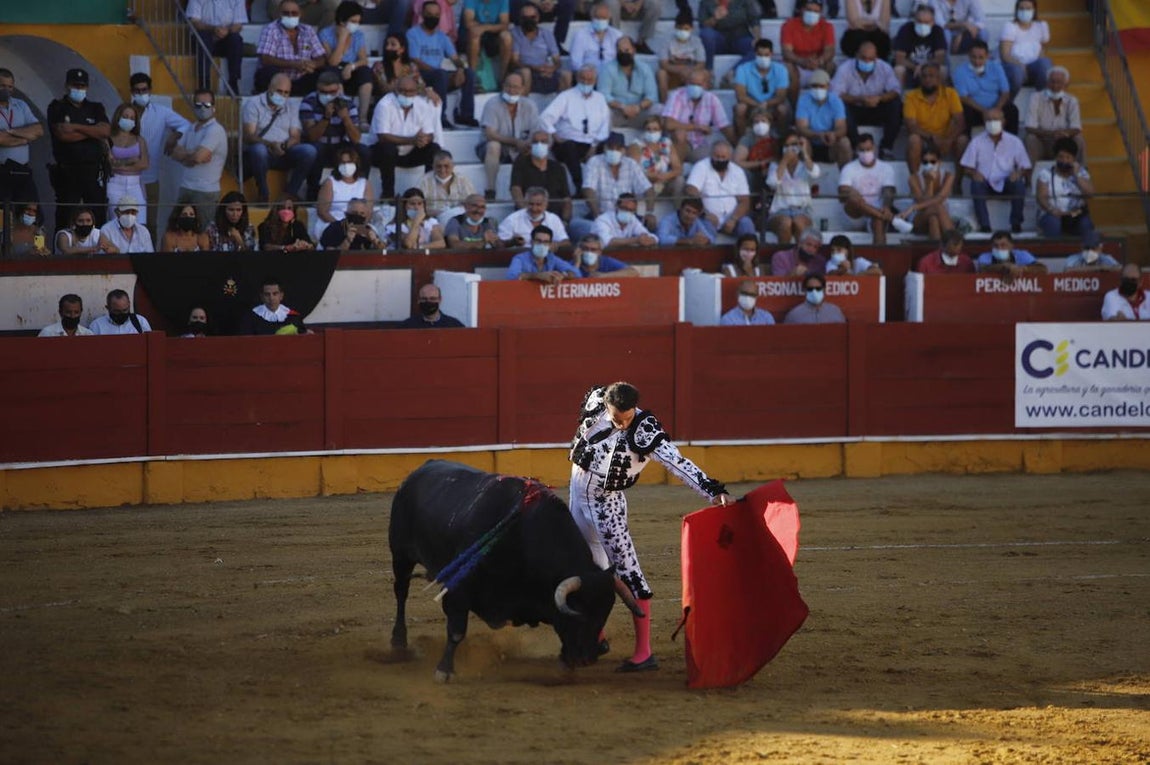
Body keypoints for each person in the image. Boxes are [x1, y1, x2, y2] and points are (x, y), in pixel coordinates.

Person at [568, 381, 731, 672]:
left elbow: (677, 462)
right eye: (618, 417)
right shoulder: (596, 401)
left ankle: (644, 654)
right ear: (607, 405)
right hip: (577, 488)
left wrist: (712, 489)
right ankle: (596, 637)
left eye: (628, 417)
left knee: (630, 575)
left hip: (607, 504)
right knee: (582, 564)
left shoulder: (644, 429)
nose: (623, 424)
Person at [47, 68, 110, 234]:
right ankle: (62, 252)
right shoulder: (57, 107)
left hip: (93, 170)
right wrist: (91, 132)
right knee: (66, 215)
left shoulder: (96, 108)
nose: (79, 88)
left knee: (98, 214)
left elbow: (105, 131)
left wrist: (75, 127)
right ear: (67, 86)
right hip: (68, 171)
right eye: (76, 85)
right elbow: (62, 134)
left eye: (82, 86)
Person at [242, 74, 318, 204]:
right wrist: (271, 145)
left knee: (309, 151)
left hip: (284, 151)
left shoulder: (291, 106)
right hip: (262, 152)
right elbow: (249, 136)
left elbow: (295, 135)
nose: (283, 95)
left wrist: (284, 146)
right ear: (270, 88)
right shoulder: (253, 103)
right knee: (259, 150)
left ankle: (289, 194)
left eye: (286, 92)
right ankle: (263, 193)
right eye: (279, 91)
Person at [128, 73, 190, 231]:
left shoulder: (161, 112)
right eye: (137, 91)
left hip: (151, 177)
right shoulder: (124, 113)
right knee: (128, 222)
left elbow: (186, 125)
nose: (141, 94)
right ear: (131, 92)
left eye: (144, 90)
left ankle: (151, 253)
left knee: (150, 223)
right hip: (127, 176)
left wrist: (174, 136)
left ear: (150, 90)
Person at [407, 0, 478, 128]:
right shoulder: (413, 33)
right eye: (429, 14)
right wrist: (437, 72)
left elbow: (455, 58)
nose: (433, 17)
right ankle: (440, 116)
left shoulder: (442, 36)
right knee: (441, 74)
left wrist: (461, 69)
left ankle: (466, 116)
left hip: (439, 77)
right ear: (422, 14)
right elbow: (415, 60)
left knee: (469, 73)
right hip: (420, 76)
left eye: (436, 15)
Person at [372, 76, 444, 200]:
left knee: (434, 149)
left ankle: (428, 193)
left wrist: (424, 139)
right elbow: (382, 136)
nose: (406, 94)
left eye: (410, 91)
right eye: (402, 90)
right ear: (396, 90)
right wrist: (412, 140)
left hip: (412, 152)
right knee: (387, 149)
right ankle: (388, 194)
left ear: (416, 91)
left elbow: (430, 133)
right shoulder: (385, 104)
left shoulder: (421, 104)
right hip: (385, 154)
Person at [959, 108, 1031, 234]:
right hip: (985, 182)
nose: (992, 123)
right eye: (989, 120)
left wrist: (1018, 173)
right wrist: (974, 173)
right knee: (976, 185)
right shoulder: (976, 141)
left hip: (1007, 181)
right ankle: (984, 225)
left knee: (1018, 184)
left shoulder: (1014, 141)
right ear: (984, 122)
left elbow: (1026, 166)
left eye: (996, 119)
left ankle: (1016, 223)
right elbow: (966, 167)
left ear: (1003, 121)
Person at [539, 66, 611, 191]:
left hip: (592, 143)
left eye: (590, 80)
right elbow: (545, 117)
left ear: (595, 81)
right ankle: (580, 187)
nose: (586, 83)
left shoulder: (600, 98)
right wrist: (555, 135)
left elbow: (605, 125)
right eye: (583, 79)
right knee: (569, 147)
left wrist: (594, 147)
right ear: (577, 78)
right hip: (568, 143)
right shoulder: (566, 96)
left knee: (613, 144)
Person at [830, 41, 902, 162]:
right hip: (854, 109)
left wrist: (879, 98)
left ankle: (886, 147)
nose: (867, 61)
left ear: (876, 58)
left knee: (896, 103)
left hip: (877, 107)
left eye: (871, 59)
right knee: (839, 105)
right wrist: (859, 99)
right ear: (857, 55)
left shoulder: (884, 67)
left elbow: (895, 90)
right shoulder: (845, 69)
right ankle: (856, 146)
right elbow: (835, 94)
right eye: (864, 58)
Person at [574, 132, 653, 242]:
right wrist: (598, 216)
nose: (614, 151)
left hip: (626, 215)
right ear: (605, 148)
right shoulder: (595, 162)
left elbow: (648, 189)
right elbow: (588, 190)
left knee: (651, 226)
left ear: (624, 150)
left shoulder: (631, 164)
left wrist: (650, 212)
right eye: (610, 147)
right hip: (600, 214)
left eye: (618, 148)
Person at [301, 71, 367, 198]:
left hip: (340, 144)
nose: (327, 96)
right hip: (319, 144)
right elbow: (312, 136)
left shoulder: (348, 103)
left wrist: (346, 119)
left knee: (363, 151)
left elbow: (356, 138)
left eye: (331, 92)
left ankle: (361, 190)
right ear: (317, 89)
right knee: (315, 149)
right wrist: (326, 117)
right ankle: (312, 193)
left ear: (338, 89)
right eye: (323, 92)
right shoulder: (308, 102)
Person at [171, 89, 228, 227]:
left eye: (207, 105)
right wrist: (193, 155)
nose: (202, 108)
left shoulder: (215, 130)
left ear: (213, 107)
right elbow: (174, 153)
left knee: (203, 231)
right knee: (178, 230)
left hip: (205, 192)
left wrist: (188, 156)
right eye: (198, 105)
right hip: (186, 186)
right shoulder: (192, 127)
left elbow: (198, 157)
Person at [479, 73, 540, 198]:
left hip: (521, 148)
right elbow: (490, 134)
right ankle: (490, 189)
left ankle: (536, 192)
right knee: (493, 146)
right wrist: (516, 142)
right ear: (503, 86)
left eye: (516, 87)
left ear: (522, 89)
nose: (511, 90)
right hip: (494, 149)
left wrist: (527, 144)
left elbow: (536, 131)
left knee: (540, 146)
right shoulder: (492, 104)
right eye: (508, 86)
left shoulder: (530, 106)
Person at [903, 63, 967, 176]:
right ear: (920, 79)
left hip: (947, 138)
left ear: (939, 79)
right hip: (925, 140)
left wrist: (948, 140)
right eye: (924, 76)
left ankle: (957, 184)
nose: (927, 79)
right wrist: (932, 138)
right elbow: (911, 126)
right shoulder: (911, 96)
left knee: (962, 140)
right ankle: (915, 183)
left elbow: (960, 121)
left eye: (931, 76)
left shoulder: (950, 93)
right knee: (913, 139)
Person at [0, 68, 44, 228]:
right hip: (2, 171)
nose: (6, 90)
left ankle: (37, 248)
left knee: (34, 214)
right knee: (4, 216)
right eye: (2, 86)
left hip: (22, 170)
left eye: (10, 87)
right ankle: (5, 251)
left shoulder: (21, 105)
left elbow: (39, 130)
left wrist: (11, 132)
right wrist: (25, 138)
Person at [255, 0, 328, 96]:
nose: (290, 16)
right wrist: (294, 64)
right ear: (279, 14)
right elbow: (266, 59)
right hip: (278, 79)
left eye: (294, 13)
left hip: (301, 80)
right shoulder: (270, 29)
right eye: (286, 13)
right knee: (267, 72)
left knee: (325, 73)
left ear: (300, 14)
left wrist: (312, 64)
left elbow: (321, 58)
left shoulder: (308, 30)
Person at [662, 69, 735, 164]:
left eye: (698, 84)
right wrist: (697, 127)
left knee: (721, 154)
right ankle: (676, 170)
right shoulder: (677, 96)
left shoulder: (711, 99)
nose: (695, 87)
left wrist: (735, 145)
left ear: (706, 85)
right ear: (687, 83)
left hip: (699, 144)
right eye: (692, 83)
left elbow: (724, 126)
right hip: (675, 145)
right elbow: (668, 124)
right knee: (680, 134)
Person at [684, 141, 755, 238]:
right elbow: (691, 190)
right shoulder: (701, 166)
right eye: (717, 156)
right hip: (707, 218)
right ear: (711, 155)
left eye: (723, 157)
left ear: (729, 157)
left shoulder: (737, 171)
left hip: (732, 219)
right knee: (704, 233)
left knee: (746, 223)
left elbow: (744, 201)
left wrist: (733, 219)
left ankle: (748, 252)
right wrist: (705, 213)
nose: (720, 160)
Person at [839, 133, 898, 245]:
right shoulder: (849, 168)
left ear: (874, 148)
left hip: (877, 211)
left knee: (878, 219)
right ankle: (883, 216)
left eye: (868, 149)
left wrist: (886, 206)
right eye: (862, 150)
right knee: (853, 197)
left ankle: (880, 257)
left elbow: (889, 190)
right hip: (855, 215)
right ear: (856, 150)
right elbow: (842, 191)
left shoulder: (886, 168)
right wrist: (853, 193)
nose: (866, 153)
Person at [318, 1, 373, 121]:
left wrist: (352, 66)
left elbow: (364, 60)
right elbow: (332, 62)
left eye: (358, 22)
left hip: (351, 70)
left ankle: (362, 118)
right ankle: (342, 115)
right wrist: (342, 38)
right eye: (353, 21)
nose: (356, 25)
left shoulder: (358, 35)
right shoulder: (325, 34)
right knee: (332, 71)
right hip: (334, 69)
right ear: (342, 21)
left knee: (366, 72)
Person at [952, 40, 1019, 138]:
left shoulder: (996, 67)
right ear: (969, 55)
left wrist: (996, 109)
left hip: (996, 107)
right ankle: (965, 142)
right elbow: (964, 97)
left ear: (987, 56)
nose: (977, 61)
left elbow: (1005, 92)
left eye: (981, 57)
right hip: (975, 109)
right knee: (964, 111)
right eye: (973, 57)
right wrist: (985, 111)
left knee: (1012, 110)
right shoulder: (960, 71)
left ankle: (1012, 143)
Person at [765, 132, 819, 245]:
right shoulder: (775, 165)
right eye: (787, 145)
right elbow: (772, 183)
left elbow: (815, 173)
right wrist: (784, 161)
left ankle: (801, 258)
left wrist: (805, 152)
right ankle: (784, 258)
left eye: (794, 144)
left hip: (802, 210)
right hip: (779, 211)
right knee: (785, 223)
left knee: (799, 222)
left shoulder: (805, 165)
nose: (790, 148)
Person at [1025, 67, 1085, 165]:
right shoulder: (1035, 98)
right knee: (1030, 138)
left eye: (1059, 82)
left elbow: (1076, 127)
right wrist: (1051, 134)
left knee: (1078, 138)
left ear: (1066, 85)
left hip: (1064, 143)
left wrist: (1063, 134)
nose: (1055, 86)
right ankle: (1029, 178)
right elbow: (1029, 127)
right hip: (1042, 142)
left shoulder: (1072, 100)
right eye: (1052, 82)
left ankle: (1081, 174)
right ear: (1047, 83)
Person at [1035, 137, 1093, 239]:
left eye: (1068, 157)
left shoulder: (1081, 173)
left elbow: (1090, 193)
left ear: (1073, 159)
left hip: (1074, 214)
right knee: (1053, 224)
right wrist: (1053, 211)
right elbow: (1041, 197)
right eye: (1061, 157)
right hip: (1052, 213)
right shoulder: (1045, 174)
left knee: (1086, 224)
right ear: (1056, 157)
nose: (1064, 160)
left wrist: (1077, 176)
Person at [732, 39, 791, 139]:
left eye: (766, 55)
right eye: (760, 54)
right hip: (751, 105)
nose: (763, 58)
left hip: (772, 105)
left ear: (771, 54)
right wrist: (758, 104)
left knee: (783, 109)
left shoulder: (781, 69)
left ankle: (781, 138)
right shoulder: (743, 69)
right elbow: (740, 96)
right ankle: (743, 139)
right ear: (755, 54)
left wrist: (767, 104)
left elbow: (781, 96)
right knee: (740, 108)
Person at [186, 0, 246, 96]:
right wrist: (213, 29)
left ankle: (233, 82)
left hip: (226, 35)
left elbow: (238, 24)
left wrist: (226, 31)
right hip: (205, 33)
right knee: (202, 37)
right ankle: (204, 83)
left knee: (236, 39)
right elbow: (194, 21)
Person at [781, 0, 837, 102]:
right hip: (797, 66)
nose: (812, 14)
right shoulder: (789, 25)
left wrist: (820, 61)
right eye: (809, 10)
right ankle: (795, 107)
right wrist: (802, 61)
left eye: (816, 11)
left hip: (818, 65)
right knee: (787, 67)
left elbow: (830, 50)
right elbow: (786, 52)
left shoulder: (827, 26)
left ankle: (821, 103)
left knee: (831, 65)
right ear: (802, 10)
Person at [598, 37, 658, 130]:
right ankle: (606, 142)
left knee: (659, 109)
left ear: (634, 50)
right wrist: (623, 107)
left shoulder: (644, 69)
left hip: (639, 111)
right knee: (602, 112)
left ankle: (654, 142)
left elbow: (652, 95)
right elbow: (603, 95)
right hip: (616, 112)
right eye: (620, 51)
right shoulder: (607, 69)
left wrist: (639, 107)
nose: (623, 53)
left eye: (626, 50)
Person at [105, 103, 150, 227]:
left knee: (139, 223)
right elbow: (109, 164)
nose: (128, 120)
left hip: (135, 185)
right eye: (125, 116)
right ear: (118, 117)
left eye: (132, 118)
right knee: (116, 223)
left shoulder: (140, 140)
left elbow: (144, 164)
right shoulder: (108, 139)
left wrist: (119, 164)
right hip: (114, 184)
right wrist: (131, 160)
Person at [794, 70, 851, 167]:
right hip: (810, 143)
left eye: (821, 86)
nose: (817, 89)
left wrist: (833, 135)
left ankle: (845, 178)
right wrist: (818, 135)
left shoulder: (836, 101)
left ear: (828, 86)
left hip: (830, 145)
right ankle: (802, 179)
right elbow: (801, 128)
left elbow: (842, 128)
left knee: (844, 142)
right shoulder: (803, 100)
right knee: (801, 141)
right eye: (814, 86)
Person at [509, 2, 568, 95]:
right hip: (525, 70)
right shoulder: (515, 33)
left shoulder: (546, 34)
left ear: (538, 18)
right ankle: (524, 105)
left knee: (566, 75)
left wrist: (552, 68)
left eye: (532, 17)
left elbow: (557, 59)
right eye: (526, 18)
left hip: (543, 70)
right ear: (520, 19)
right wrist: (534, 68)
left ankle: (562, 107)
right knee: (526, 72)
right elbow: (515, 61)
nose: (529, 20)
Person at [899, 142, 955, 240]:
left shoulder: (948, 176)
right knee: (936, 208)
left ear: (939, 162)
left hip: (940, 217)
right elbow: (924, 205)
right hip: (920, 218)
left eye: (933, 162)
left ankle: (937, 251)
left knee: (934, 219)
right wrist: (929, 183)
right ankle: (953, 241)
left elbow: (940, 198)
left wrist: (914, 207)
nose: (929, 165)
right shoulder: (914, 179)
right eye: (925, 162)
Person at [510, 131, 572, 217]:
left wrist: (565, 221)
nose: (539, 145)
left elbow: (566, 199)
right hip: (529, 216)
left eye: (543, 142)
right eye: (535, 142)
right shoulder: (521, 164)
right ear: (530, 145)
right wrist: (528, 214)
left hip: (555, 219)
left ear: (549, 145)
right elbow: (516, 190)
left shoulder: (558, 168)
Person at [315, 146, 374, 236]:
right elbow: (322, 212)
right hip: (332, 223)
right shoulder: (330, 183)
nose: (346, 165)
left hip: (359, 224)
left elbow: (368, 212)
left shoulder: (365, 183)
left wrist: (359, 227)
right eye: (343, 163)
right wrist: (341, 227)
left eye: (349, 162)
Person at [1000, 0, 1051, 99]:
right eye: (1021, 8)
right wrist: (1021, 66)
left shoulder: (1041, 26)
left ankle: (1041, 100)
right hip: (1014, 65)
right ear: (1016, 10)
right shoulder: (1010, 26)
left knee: (1045, 63)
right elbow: (1005, 55)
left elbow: (1042, 51)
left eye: (1028, 8)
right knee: (1017, 72)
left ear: (1034, 10)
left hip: (1033, 66)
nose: (1024, 11)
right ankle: (1007, 103)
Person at [892, 3, 948, 89]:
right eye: (919, 21)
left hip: (930, 68)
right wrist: (915, 67)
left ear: (933, 22)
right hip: (910, 69)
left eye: (926, 22)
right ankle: (900, 99)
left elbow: (940, 58)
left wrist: (924, 67)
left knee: (943, 70)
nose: (922, 25)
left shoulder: (938, 31)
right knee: (899, 70)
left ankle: (940, 99)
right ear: (914, 20)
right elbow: (899, 58)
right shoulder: (905, 29)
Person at [630, 116, 684, 202]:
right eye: (648, 129)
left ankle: (678, 210)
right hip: (644, 183)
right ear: (644, 131)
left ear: (660, 131)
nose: (651, 132)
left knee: (679, 180)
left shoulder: (666, 143)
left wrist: (666, 175)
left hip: (663, 182)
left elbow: (678, 168)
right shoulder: (636, 145)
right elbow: (632, 170)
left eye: (655, 129)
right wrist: (649, 176)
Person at [655, 13, 707, 102]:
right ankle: (665, 103)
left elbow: (701, 63)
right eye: (680, 28)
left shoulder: (696, 41)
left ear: (691, 28)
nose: (683, 31)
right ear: (675, 27)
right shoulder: (667, 40)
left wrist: (689, 72)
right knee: (661, 73)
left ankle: (701, 103)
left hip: (691, 74)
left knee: (705, 73)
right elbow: (663, 64)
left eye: (686, 29)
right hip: (673, 74)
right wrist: (681, 70)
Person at [498, 186, 570, 247]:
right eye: (531, 204)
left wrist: (554, 245)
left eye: (538, 204)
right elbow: (499, 244)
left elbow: (566, 242)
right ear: (525, 203)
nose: (534, 208)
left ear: (546, 204)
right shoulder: (512, 219)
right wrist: (512, 242)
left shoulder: (553, 219)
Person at [507, 225, 579, 282]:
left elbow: (575, 273)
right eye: (538, 241)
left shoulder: (552, 258)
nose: (542, 245)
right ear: (531, 242)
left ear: (550, 244)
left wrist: (562, 275)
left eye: (545, 242)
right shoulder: (520, 258)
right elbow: (512, 277)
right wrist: (538, 276)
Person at [417, 150, 477, 219]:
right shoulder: (424, 181)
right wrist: (440, 213)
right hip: (433, 220)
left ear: (453, 166)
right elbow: (417, 206)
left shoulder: (463, 180)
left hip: (459, 219)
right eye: (438, 166)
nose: (443, 170)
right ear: (433, 166)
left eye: (446, 166)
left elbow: (473, 202)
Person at [240, 277, 311, 334]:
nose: (271, 298)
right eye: (267, 294)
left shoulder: (293, 317)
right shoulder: (251, 317)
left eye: (275, 293)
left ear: (281, 296)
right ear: (261, 297)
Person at [372, 33, 433, 101]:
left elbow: (421, 87)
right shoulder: (378, 66)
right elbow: (385, 89)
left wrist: (428, 91)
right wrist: (408, 82)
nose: (388, 48)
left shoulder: (411, 66)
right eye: (387, 44)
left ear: (402, 49)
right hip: (388, 103)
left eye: (393, 45)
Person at [463, 0, 512, 81]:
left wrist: (485, 28)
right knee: (474, 34)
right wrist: (482, 28)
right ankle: (472, 77)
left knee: (507, 37)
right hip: (478, 31)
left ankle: (503, 77)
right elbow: (468, 22)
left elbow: (504, 24)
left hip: (494, 33)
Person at [732, 108, 778, 194]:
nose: (760, 124)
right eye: (756, 122)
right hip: (753, 171)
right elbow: (738, 162)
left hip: (773, 170)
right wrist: (762, 163)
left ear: (769, 123)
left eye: (763, 121)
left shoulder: (776, 138)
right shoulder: (747, 139)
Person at [383, 188, 447, 249]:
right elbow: (408, 244)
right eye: (412, 204)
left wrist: (420, 247)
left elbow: (441, 243)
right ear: (404, 206)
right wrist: (416, 222)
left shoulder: (431, 222)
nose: (416, 207)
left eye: (419, 204)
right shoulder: (393, 226)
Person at [592, 192, 657, 249]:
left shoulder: (633, 219)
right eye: (624, 208)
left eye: (631, 210)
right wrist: (636, 240)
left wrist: (649, 239)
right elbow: (607, 242)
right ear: (616, 206)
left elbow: (652, 236)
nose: (627, 212)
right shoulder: (602, 220)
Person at [569, 2, 624, 70]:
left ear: (609, 18)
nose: (600, 21)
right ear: (592, 17)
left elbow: (622, 59)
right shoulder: (581, 35)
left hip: (611, 74)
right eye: (598, 18)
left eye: (604, 18)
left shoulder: (617, 35)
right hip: (588, 75)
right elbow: (575, 62)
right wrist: (586, 72)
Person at [320, 196, 385, 250]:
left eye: (362, 213)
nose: (358, 216)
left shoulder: (367, 229)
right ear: (346, 214)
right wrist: (347, 241)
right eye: (354, 213)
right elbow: (330, 254)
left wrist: (375, 242)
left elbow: (382, 252)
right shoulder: (334, 228)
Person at [975, 230, 1047, 275]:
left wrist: (1022, 269)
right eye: (995, 246)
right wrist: (1006, 267)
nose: (999, 248)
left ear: (1011, 246)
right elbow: (983, 269)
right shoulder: (985, 257)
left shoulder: (1022, 255)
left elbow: (1042, 269)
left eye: (1003, 245)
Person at [399, 282, 466, 328]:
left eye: (433, 299)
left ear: (440, 299)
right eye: (424, 299)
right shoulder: (407, 326)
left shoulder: (454, 325)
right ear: (418, 300)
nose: (428, 302)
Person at [89, 288, 153, 335]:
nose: (121, 314)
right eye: (117, 311)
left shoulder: (140, 321)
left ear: (129, 304)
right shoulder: (97, 326)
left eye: (125, 310)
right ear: (108, 308)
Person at [573, 233, 640, 277]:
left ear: (600, 252)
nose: (589, 252)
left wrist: (604, 276)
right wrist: (577, 264)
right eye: (585, 249)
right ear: (579, 250)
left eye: (593, 250)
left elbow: (633, 272)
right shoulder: (574, 262)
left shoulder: (606, 261)